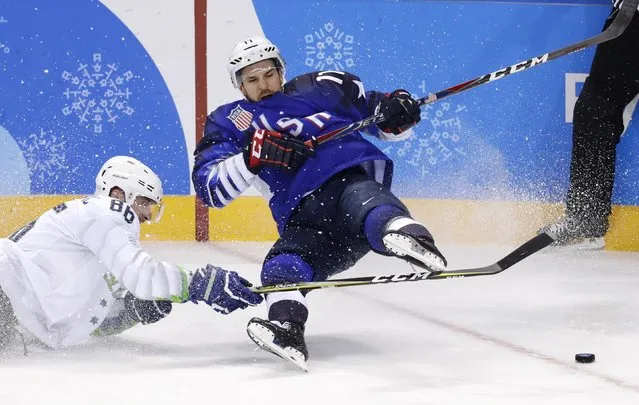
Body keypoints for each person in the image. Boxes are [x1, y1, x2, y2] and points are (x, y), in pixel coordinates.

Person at [192, 36, 447, 369]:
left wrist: (398, 108)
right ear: (240, 87)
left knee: (367, 205)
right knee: (281, 267)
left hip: (346, 184)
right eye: (252, 80)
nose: (263, 85)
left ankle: (411, 238)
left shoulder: (317, 89)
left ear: (281, 72)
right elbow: (209, 189)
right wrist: (251, 158)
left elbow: (381, 118)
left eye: (268, 74)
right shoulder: (230, 121)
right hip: (304, 220)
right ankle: (287, 329)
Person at [0, 155, 263, 351]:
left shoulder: (95, 241)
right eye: (145, 202)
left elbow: (85, 320)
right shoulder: (109, 210)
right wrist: (201, 284)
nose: (148, 215)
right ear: (118, 193)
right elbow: (141, 275)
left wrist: (131, 312)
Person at [539, 2, 639, 249]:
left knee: (596, 108)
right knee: (595, 111)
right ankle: (586, 222)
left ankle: (586, 222)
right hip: (631, 23)